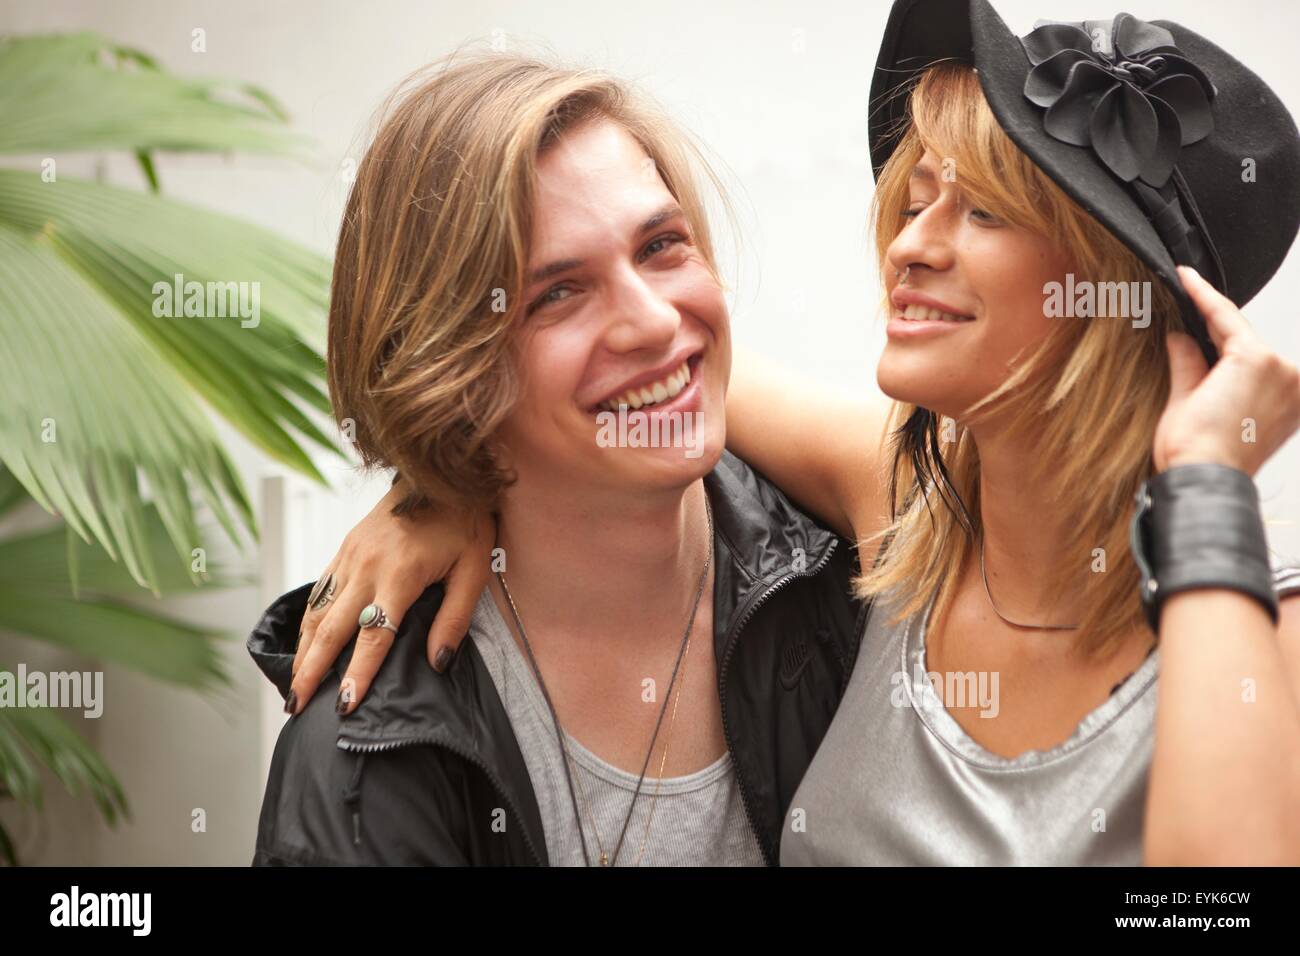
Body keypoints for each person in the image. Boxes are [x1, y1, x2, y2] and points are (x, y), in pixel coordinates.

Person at [281, 1, 1300, 865]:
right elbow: (645, 375)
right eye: (915, 195)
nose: (907, 242)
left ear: (1113, 297)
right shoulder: (902, 515)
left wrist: (1204, 481)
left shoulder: (1260, 627)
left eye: (980, 210)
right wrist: (440, 482)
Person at [249, 52, 863, 866]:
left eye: (661, 246)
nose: (649, 321)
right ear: (453, 374)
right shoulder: (365, 761)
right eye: (557, 293)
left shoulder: (855, 583)